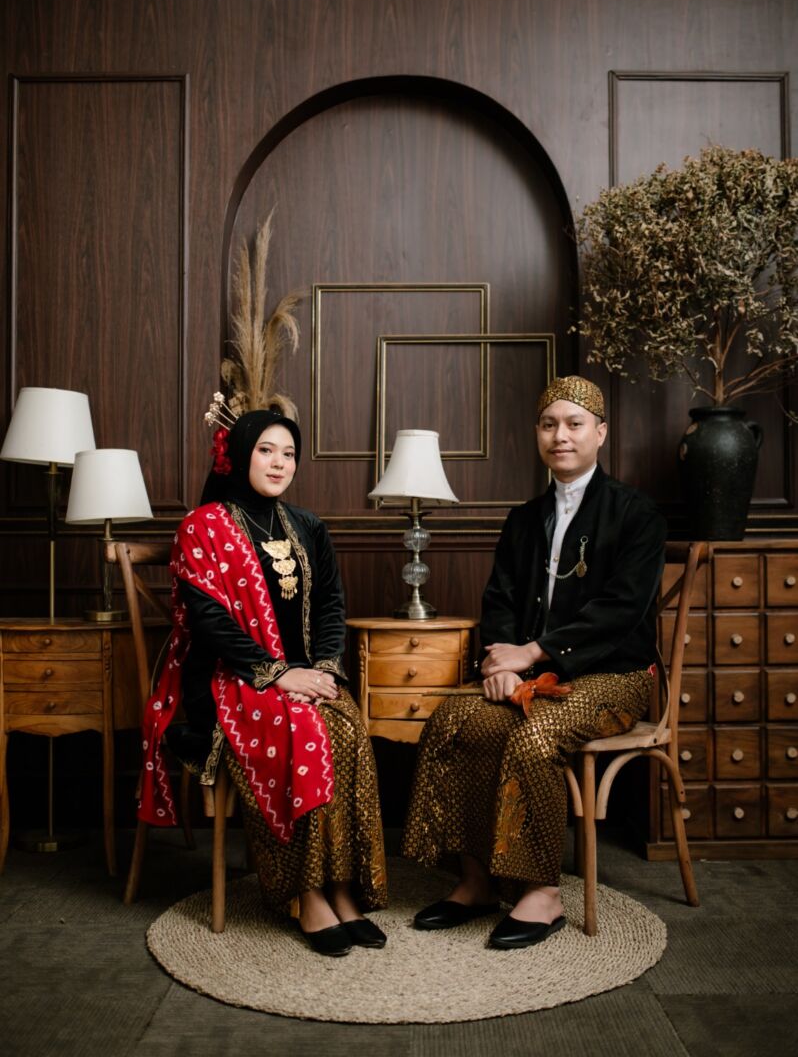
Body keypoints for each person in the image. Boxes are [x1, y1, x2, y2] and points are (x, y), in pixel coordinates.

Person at [402, 375, 666, 949]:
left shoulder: (636, 512)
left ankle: (542, 890)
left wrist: (533, 653)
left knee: (534, 737)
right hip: (527, 675)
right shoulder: (524, 518)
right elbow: (498, 599)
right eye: (549, 425)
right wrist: (501, 665)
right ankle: (476, 880)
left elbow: (621, 611)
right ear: (537, 434)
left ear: (600, 433)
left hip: (614, 677)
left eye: (574, 424)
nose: (560, 435)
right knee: (457, 721)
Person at [138, 409, 387, 957]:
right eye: (266, 451)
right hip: (228, 679)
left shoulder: (308, 525)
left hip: (306, 677)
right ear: (239, 455)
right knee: (304, 730)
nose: (279, 463)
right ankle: (305, 893)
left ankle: (341, 888)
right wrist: (278, 673)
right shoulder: (202, 527)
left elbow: (331, 605)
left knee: (346, 728)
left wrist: (324, 668)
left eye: (289, 454)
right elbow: (208, 621)